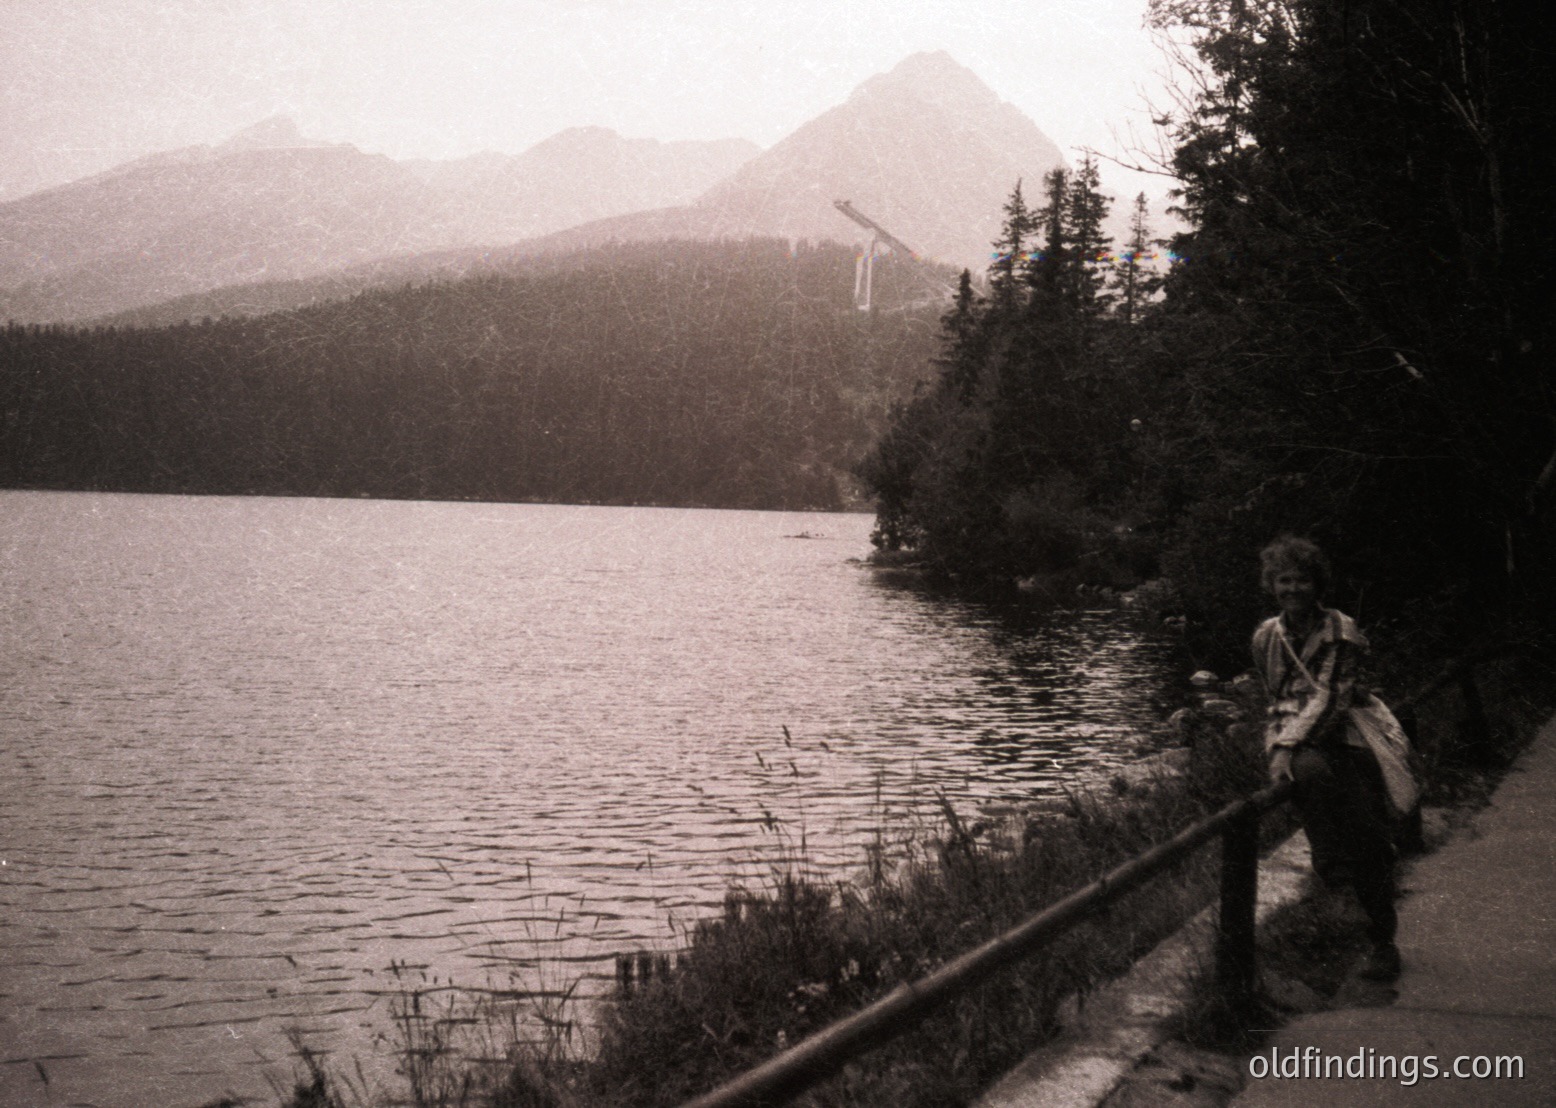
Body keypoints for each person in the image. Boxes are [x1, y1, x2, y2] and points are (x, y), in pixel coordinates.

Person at [1252, 536, 1401, 981]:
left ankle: (1382, 941)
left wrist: (1286, 747)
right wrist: (1282, 742)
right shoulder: (1266, 635)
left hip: (1344, 733)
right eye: (1284, 580)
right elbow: (1273, 696)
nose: (1293, 588)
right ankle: (1330, 866)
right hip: (1291, 735)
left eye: (1302, 580)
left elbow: (1330, 697)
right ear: (1271, 585)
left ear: (1318, 585)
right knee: (1312, 772)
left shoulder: (1340, 630)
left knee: (1368, 834)